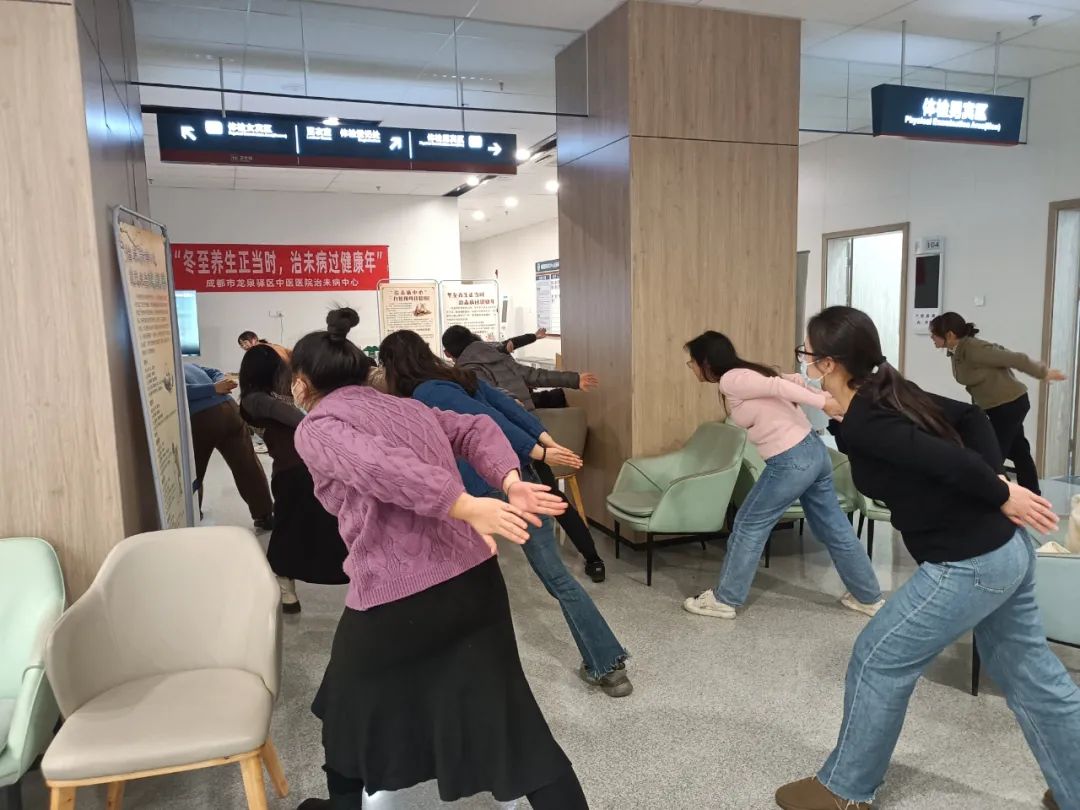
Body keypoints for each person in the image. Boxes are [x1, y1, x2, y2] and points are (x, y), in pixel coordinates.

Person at [775, 306, 1079, 810]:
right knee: (1034, 677)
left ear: (829, 363)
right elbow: (969, 419)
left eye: (807, 353)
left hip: (970, 563)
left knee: (877, 659)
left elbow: (948, 457)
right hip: (1006, 550)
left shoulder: (871, 417)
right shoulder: (884, 390)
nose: (804, 362)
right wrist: (993, 489)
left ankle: (845, 789)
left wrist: (998, 489)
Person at [290, 309, 590, 810]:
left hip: (396, 598)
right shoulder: (406, 408)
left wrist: (465, 503)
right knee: (516, 728)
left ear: (301, 384)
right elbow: (476, 428)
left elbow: (378, 466)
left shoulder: (318, 427)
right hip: (475, 584)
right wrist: (509, 480)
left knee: (347, 715)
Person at [378, 329, 632, 697]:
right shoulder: (460, 377)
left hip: (479, 493)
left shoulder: (426, 393)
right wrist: (543, 442)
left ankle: (458, 677)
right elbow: (509, 407)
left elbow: (486, 420)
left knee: (459, 582)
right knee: (557, 576)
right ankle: (609, 667)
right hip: (517, 479)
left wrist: (539, 450)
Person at [680, 331, 883, 620]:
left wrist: (823, 403)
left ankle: (725, 599)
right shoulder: (750, 374)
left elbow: (779, 385)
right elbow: (792, 382)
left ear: (706, 362)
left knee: (748, 524)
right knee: (835, 528)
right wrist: (823, 398)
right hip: (814, 452)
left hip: (792, 459)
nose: (691, 368)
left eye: (692, 362)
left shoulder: (731, 378)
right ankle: (868, 598)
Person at [443, 324, 607, 581]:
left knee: (476, 498)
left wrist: (510, 401)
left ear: (449, 353)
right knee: (552, 497)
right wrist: (574, 379)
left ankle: (474, 568)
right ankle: (593, 558)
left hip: (503, 441)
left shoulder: (465, 371)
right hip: (530, 436)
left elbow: (494, 399)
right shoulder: (500, 357)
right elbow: (535, 375)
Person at [238, 344, 347, 614]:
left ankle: (287, 586)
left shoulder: (264, 397)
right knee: (290, 529)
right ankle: (285, 584)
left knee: (302, 526)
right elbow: (301, 420)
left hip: (301, 468)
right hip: (294, 471)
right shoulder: (258, 400)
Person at [930, 312, 1065, 494]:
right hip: (998, 406)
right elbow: (976, 384)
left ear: (950, 335)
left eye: (934, 334)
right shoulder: (956, 351)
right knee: (1019, 451)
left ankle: (996, 498)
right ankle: (1033, 495)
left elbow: (1015, 358)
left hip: (1009, 404)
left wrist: (1043, 372)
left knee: (993, 454)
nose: (932, 338)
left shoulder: (974, 348)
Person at [183, 362, 273, 531]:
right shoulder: (189, 364)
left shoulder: (168, 370)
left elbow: (180, 391)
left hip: (202, 418)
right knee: (248, 465)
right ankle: (265, 515)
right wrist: (217, 388)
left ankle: (194, 515)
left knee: (194, 470)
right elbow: (215, 372)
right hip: (231, 410)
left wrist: (213, 389)